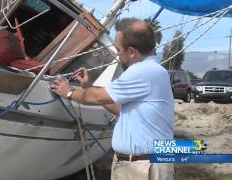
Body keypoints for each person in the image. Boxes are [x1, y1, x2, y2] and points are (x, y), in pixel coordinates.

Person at [51, 17, 174, 180]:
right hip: (137, 165)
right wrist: (88, 87)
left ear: (131, 51)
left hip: (143, 168)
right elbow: (120, 109)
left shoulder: (143, 71)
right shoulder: (153, 71)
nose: (117, 53)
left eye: (118, 49)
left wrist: (69, 92)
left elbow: (97, 98)